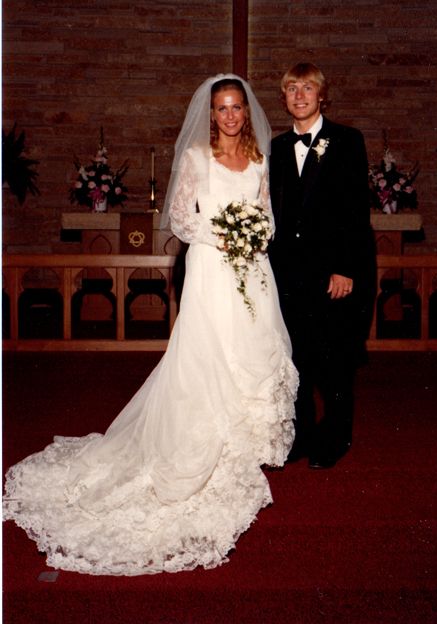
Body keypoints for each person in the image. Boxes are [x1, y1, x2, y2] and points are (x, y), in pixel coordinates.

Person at [3, 74, 298, 576]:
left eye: (236, 108)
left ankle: (243, 445)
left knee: (252, 348)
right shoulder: (195, 159)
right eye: (221, 108)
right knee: (208, 355)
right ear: (211, 115)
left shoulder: (260, 160)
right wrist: (225, 233)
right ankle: (204, 441)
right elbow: (182, 219)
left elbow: (268, 216)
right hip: (209, 266)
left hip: (252, 270)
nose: (229, 116)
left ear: (247, 112)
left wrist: (253, 235)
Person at [269, 62, 375, 470]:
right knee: (296, 362)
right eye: (292, 88)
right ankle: (301, 435)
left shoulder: (347, 140)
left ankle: (335, 437)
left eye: (307, 88)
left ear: (321, 95)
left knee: (334, 360)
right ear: (284, 98)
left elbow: (354, 211)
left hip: (334, 274)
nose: (299, 95)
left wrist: (345, 268)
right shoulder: (276, 148)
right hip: (289, 276)